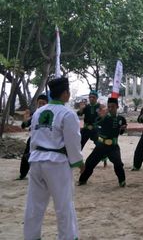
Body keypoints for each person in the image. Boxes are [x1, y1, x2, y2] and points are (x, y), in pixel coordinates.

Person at [24, 77, 84, 240]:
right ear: (65, 93)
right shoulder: (67, 113)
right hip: (56, 163)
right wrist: (78, 162)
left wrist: (33, 157)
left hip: (36, 161)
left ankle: (31, 236)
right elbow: (73, 141)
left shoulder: (38, 112)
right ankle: (68, 237)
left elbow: (33, 137)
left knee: (34, 205)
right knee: (64, 205)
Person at [79, 97, 127, 187]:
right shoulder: (104, 117)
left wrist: (122, 129)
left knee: (118, 164)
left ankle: (122, 181)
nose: (110, 109)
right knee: (89, 163)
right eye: (109, 107)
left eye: (112, 107)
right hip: (101, 145)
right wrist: (102, 117)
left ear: (117, 106)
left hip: (113, 146)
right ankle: (82, 180)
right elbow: (96, 124)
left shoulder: (121, 119)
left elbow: (121, 132)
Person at [17, 94, 49, 180]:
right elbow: (24, 126)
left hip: (46, 140)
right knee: (26, 157)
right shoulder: (35, 114)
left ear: (48, 104)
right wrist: (25, 120)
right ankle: (22, 174)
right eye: (40, 103)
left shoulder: (51, 114)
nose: (41, 105)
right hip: (33, 139)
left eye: (44, 103)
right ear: (37, 104)